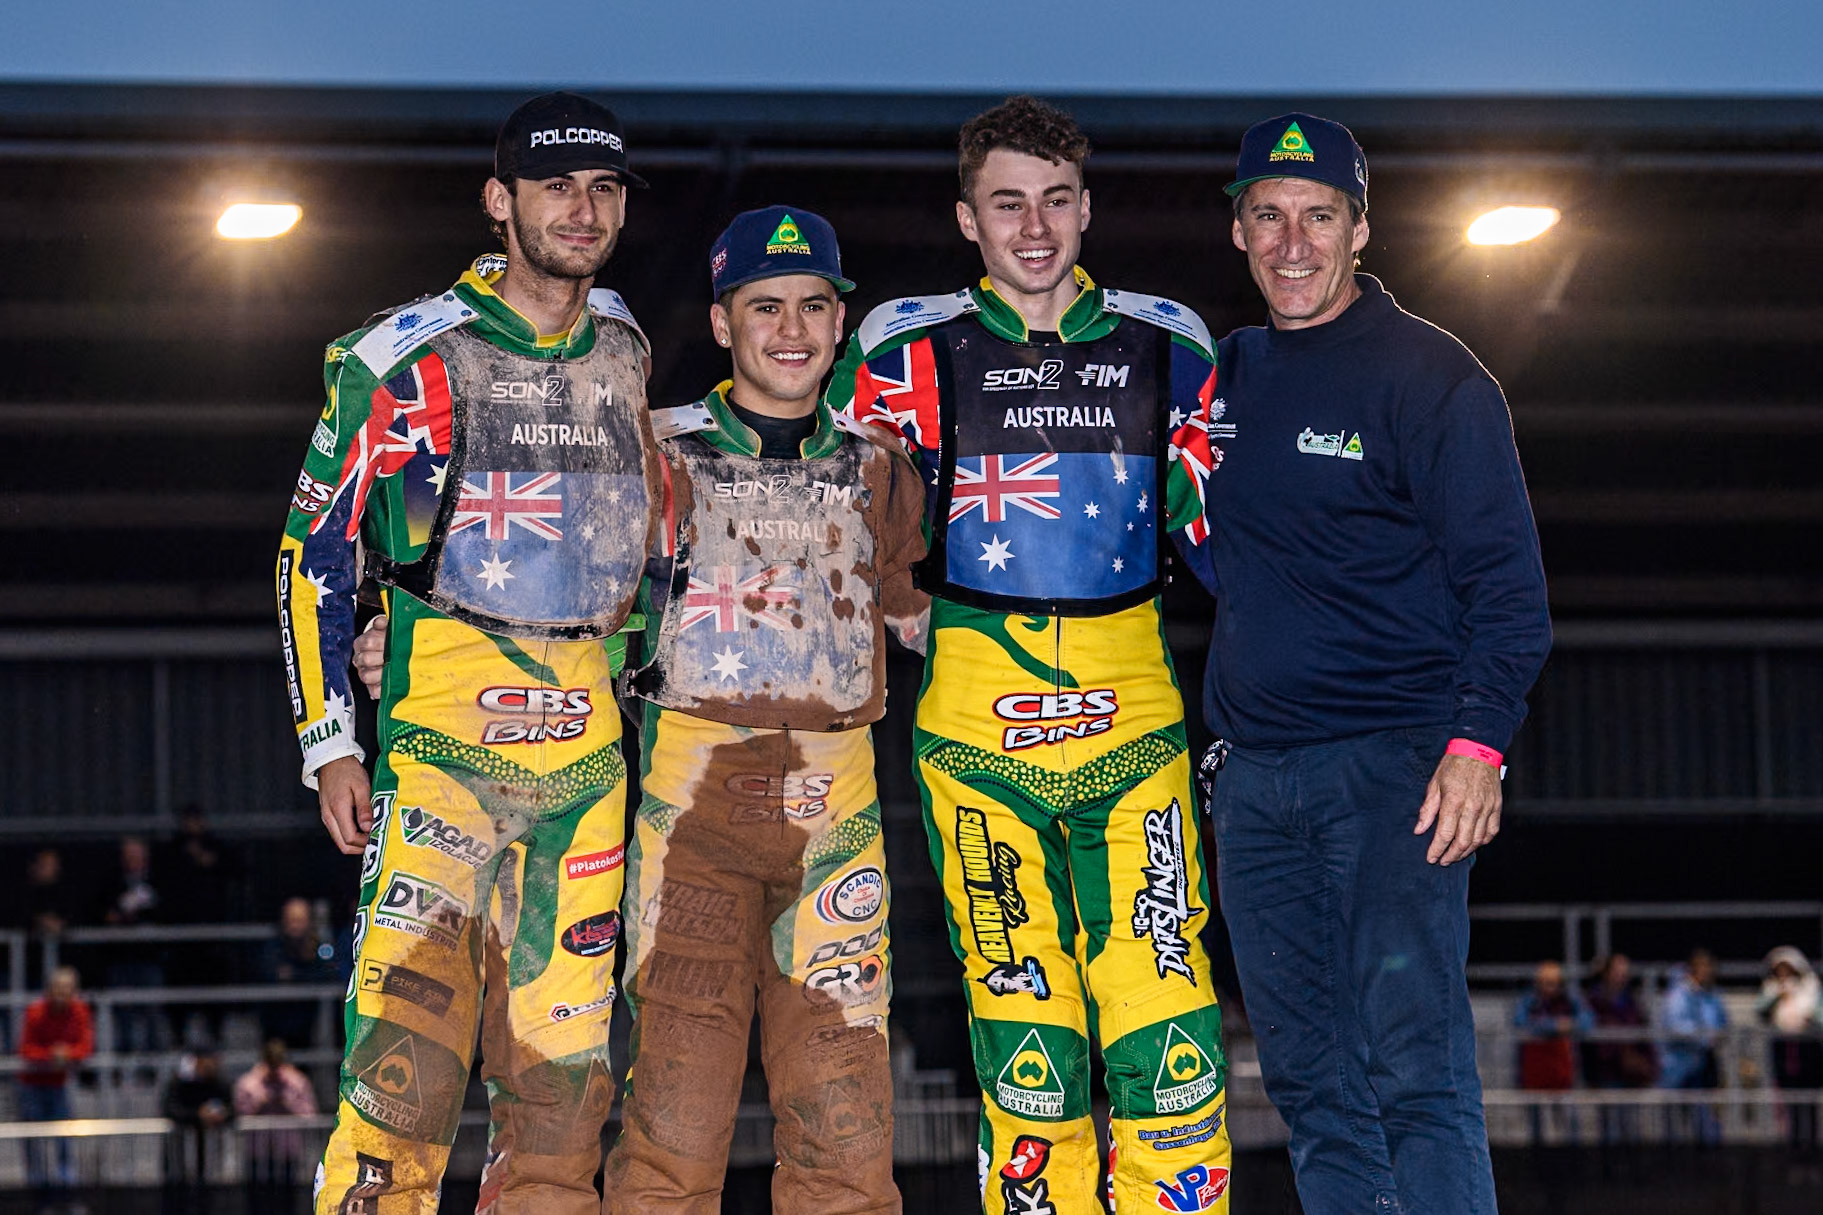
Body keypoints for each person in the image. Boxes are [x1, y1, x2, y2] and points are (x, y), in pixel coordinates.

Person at [829, 96, 1234, 1214]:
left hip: (1134, 707)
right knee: (1023, 1017)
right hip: (971, 721)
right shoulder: (895, 347)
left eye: (1056, 201)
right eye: (1007, 204)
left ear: (1087, 206)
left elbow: (1229, 541)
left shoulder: (1171, 343)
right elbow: (793, 496)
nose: (1036, 227)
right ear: (967, 219)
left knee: (1162, 1001)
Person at [276, 91, 664, 1211]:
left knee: (563, 1095)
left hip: (588, 769)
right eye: (555, 188)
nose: (581, 212)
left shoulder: (627, 345)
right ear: (501, 202)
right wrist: (328, 746)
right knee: (402, 1076)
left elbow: (634, 553)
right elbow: (310, 558)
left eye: (603, 191)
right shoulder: (397, 357)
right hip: (442, 751)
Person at [1177, 112, 1552, 1213]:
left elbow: (1509, 593)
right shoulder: (1228, 377)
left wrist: (1476, 745)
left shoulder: (1432, 378)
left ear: (1358, 229)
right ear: (1239, 231)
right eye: (1268, 217)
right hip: (1253, 787)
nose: (1292, 242)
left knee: (1412, 1074)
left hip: (1393, 778)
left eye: (1317, 217)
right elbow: (1229, 558)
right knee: (1307, 1083)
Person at [603, 206, 927, 1214]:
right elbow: (570, 618)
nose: (790, 329)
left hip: (836, 819)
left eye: (813, 306)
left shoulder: (881, 468)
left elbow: (932, 624)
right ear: (721, 320)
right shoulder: (653, 454)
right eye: (764, 306)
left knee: (845, 1136)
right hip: (684, 820)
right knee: (672, 1133)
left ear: (841, 324)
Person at [18, 967, 93, 1203]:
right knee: (34, 1138)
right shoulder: (35, 1011)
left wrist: (68, 1054)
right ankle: (37, 1192)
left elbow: (85, 1047)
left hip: (59, 1084)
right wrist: (52, 1054)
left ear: (74, 992)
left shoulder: (80, 1011)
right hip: (31, 1084)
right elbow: (25, 1049)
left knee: (64, 1136)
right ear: (49, 990)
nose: (62, 993)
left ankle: (66, 1191)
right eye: (58, 988)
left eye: (67, 989)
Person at [1512, 960, 1591, 1142]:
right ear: (1538, 983)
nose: (1550, 988)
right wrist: (1554, 1026)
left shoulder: (1569, 1001)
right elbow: (1520, 1023)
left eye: (1554, 983)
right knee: (1536, 1130)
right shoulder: (1529, 1002)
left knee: (1570, 1125)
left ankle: (1571, 1161)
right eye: (1546, 983)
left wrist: (1571, 1024)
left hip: (1562, 1075)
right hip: (1535, 1075)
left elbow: (1587, 1021)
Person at [1582, 953, 1656, 1144]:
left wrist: (1648, 1065)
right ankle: (1609, 1172)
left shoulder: (1632, 1001)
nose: (1623, 975)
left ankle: (1628, 1171)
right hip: (1606, 1074)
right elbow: (1590, 1039)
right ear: (1607, 973)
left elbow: (1643, 1036)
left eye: (1625, 972)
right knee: (1610, 1132)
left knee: (1630, 1131)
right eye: (1618, 971)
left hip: (1629, 1075)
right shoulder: (1594, 1001)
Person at [1660, 948, 1728, 1144]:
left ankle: (1708, 1155)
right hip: (1680, 1066)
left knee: (1706, 1115)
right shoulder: (1678, 995)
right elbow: (1676, 1026)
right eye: (1703, 967)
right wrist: (1705, 1038)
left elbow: (1722, 1021)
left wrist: (1718, 1035)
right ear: (1693, 970)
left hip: (1705, 1063)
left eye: (1710, 967)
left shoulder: (1713, 995)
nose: (1707, 972)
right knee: (1676, 1120)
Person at [1757, 946, 1821, 1155]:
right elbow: (1760, 1009)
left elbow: (1820, 1016)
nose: (1783, 975)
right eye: (1779, 970)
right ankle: (1791, 1145)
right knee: (1788, 1099)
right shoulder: (1772, 989)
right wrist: (1778, 994)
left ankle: (1810, 1145)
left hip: (1807, 1050)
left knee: (1808, 1099)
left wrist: (1808, 1019)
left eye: (1787, 970)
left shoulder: (1811, 988)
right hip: (1784, 1050)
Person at [233, 1038, 319, 1189]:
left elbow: (310, 1114)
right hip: (257, 1152)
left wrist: (287, 1103)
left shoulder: (297, 1081)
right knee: (257, 1198)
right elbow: (238, 1115)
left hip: (287, 1151)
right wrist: (259, 1103)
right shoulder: (248, 1083)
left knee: (287, 1198)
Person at [255, 896, 340, 1048]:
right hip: (276, 1023)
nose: (295, 926)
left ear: (309, 921)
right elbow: (269, 975)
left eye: (300, 920)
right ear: (283, 921)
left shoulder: (318, 948)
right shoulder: (272, 947)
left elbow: (328, 975)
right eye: (291, 920)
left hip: (307, 1023)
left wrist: (294, 975)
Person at [162, 1049, 235, 1186]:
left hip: (211, 1155)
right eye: (204, 1063)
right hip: (182, 1153)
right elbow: (171, 1109)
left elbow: (233, 1109)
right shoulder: (180, 1083)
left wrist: (220, 1115)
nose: (209, 1066)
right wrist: (198, 1115)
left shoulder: (220, 1083)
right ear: (196, 1062)